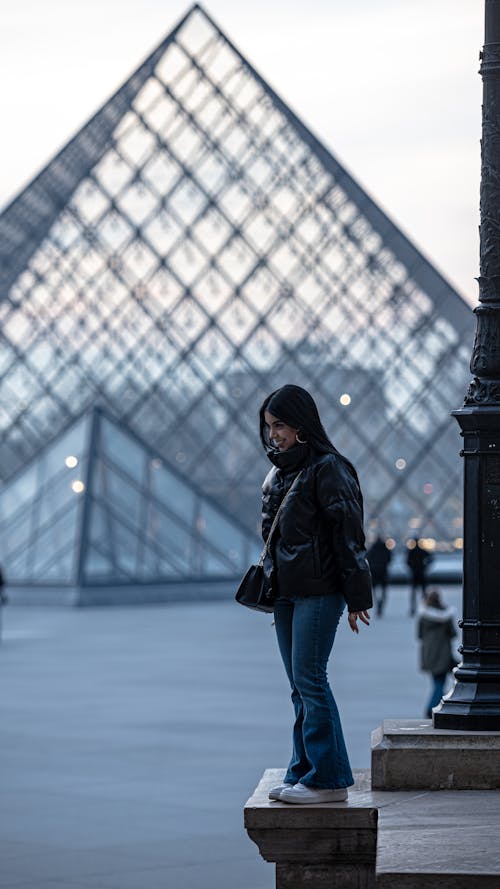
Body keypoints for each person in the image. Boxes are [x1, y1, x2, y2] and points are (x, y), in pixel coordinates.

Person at [259, 384, 372, 805]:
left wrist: (357, 598)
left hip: (320, 592)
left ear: (302, 424)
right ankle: (304, 769)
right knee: (298, 686)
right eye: (270, 427)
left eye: (281, 425)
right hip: (288, 594)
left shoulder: (330, 468)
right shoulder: (281, 472)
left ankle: (328, 780)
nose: (274, 435)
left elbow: (349, 537)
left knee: (310, 680)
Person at [417, 588, 457, 718]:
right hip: (443, 653)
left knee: (437, 681)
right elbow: (453, 634)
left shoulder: (423, 615)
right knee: (440, 682)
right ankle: (432, 707)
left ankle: (437, 705)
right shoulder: (446, 614)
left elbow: (419, 635)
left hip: (428, 653)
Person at [366, 536, 392, 617]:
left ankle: (378, 604)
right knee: (384, 590)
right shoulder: (386, 550)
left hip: (374, 573)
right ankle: (381, 603)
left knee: (374, 591)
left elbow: (368, 558)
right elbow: (389, 559)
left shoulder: (372, 549)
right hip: (383, 572)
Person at [407, 539, 433, 616]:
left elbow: (407, 561)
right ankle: (426, 608)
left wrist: (412, 567)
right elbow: (431, 558)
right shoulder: (422, 551)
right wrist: (425, 566)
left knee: (413, 593)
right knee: (424, 592)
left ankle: (413, 609)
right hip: (422, 573)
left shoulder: (411, 552)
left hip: (414, 574)